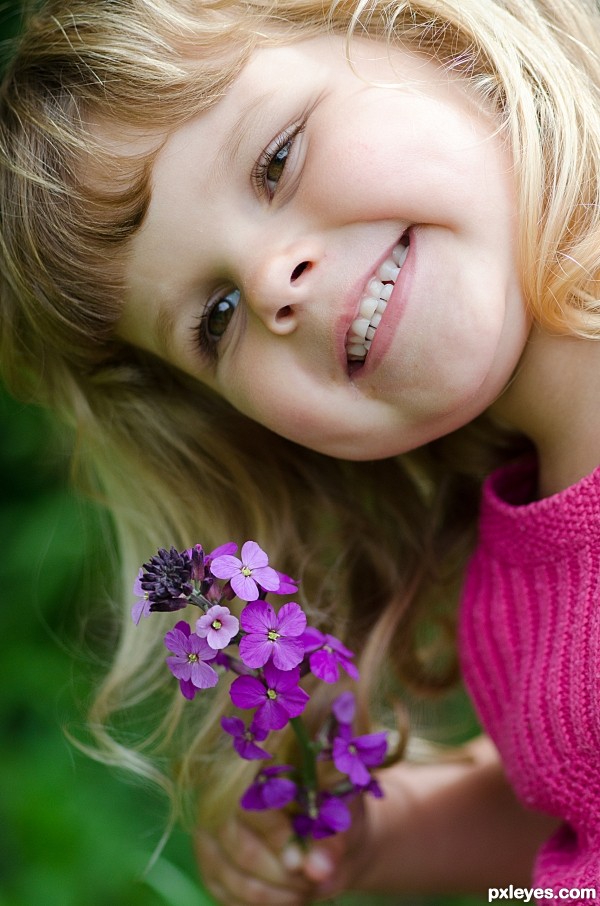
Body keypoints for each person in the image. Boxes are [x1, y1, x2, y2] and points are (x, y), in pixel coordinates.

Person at [1, 0, 599, 903]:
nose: (272, 281)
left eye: (277, 158)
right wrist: (395, 839)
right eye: (218, 318)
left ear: (429, 33)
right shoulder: (511, 594)